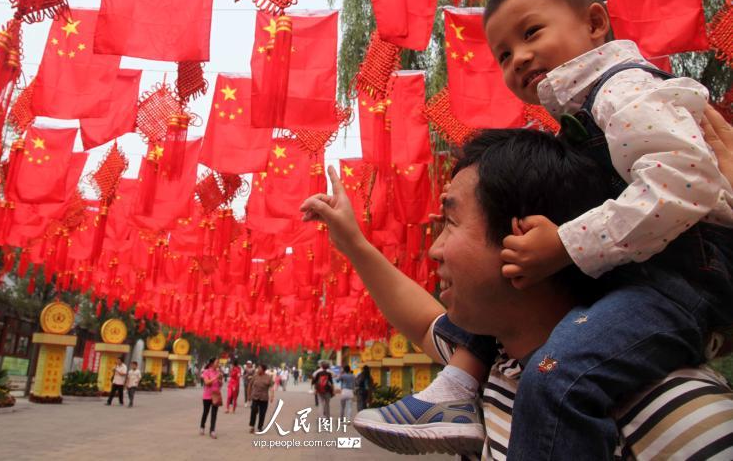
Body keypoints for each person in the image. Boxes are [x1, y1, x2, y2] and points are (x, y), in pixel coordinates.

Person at [301, 129, 733, 458]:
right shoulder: (495, 365)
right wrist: (353, 245)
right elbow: (420, 321)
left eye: (450, 223)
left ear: (525, 236)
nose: (432, 250)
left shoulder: (678, 413)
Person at [247, 364, 274, 433]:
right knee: (253, 410)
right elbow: (250, 385)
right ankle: (252, 426)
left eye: (259, 368)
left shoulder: (268, 377)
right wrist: (249, 395)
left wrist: (272, 396)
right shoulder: (255, 376)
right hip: (255, 397)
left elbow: (271, 387)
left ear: (263, 369)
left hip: (264, 398)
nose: (258, 369)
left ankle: (260, 427)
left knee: (262, 413)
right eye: (258, 368)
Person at [200, 358, 222, 438]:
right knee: (206, 412)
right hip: (207, 396)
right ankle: (202, 426)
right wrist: (216, 377)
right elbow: (207, 383)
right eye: (217, 362)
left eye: (218, 362)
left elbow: (220, 385)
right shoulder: (206, 372)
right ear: (212, 364)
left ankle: (212, 430)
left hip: (215, 395)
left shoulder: (218, 372)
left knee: (214, 414)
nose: (218, 364)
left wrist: (220, 380)